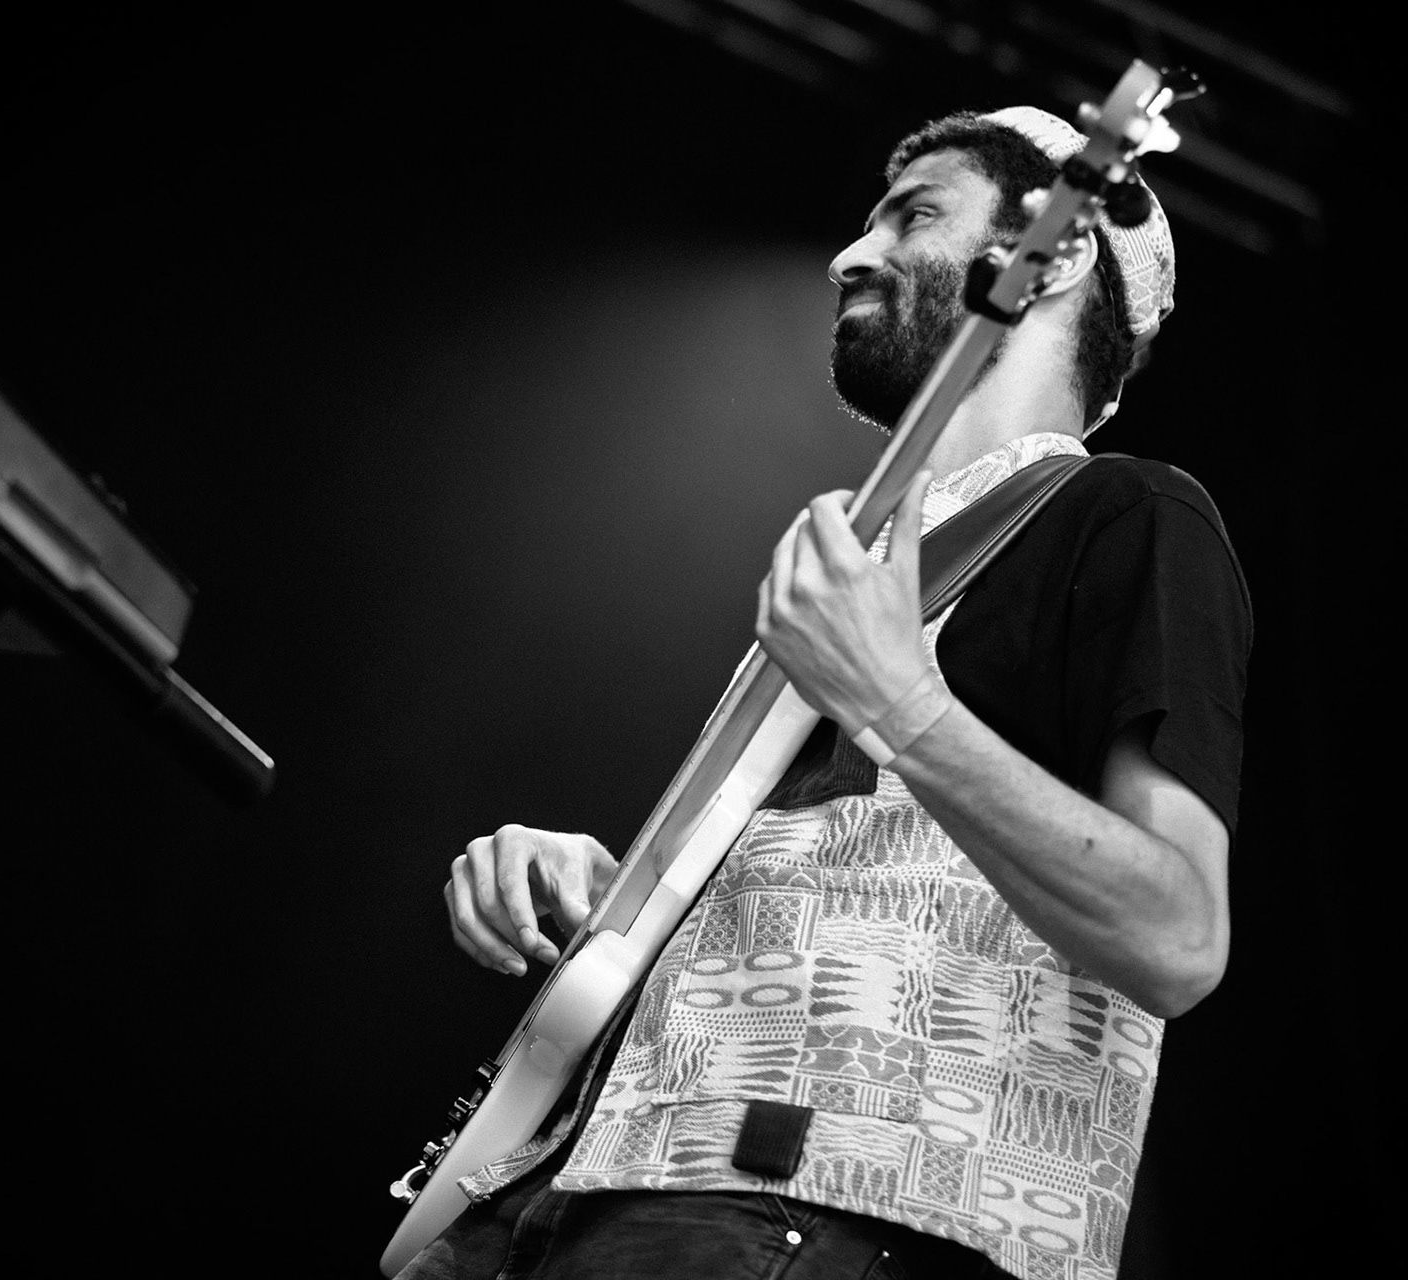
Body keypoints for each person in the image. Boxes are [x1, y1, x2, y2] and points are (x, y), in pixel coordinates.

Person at [409, 104, 1252, 1280]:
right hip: (594, 1193)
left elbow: (1177, 933)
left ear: (1049, 259)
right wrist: (616, 905)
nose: (849, 256)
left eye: (915, 215)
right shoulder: (857, 566)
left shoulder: (1125, 515)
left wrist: (905, 704)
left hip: (826, 1220)